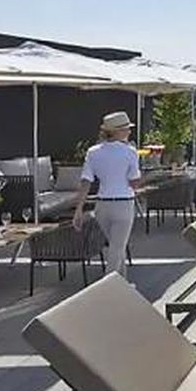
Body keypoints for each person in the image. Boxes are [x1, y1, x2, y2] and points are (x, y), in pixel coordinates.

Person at [73, 111, 141, 278]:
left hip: (102, 205)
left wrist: (79, 209)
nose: (129, 132)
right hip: (124, 204)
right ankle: (107, 286)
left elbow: (86, 181)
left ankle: (122, 285)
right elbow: (134, 182)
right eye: (126, 129)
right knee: (117, 249)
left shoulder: (93, 152)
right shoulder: (130, 152)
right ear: (117, 131)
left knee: (117, 247)